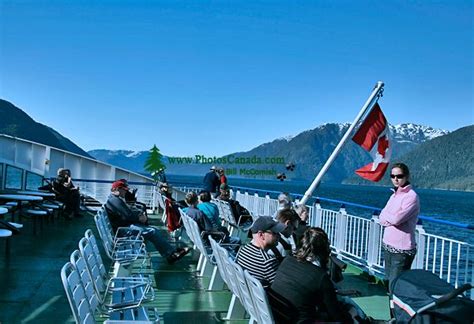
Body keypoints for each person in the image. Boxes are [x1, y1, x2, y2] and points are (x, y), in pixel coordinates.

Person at [271, 227, 364, 323]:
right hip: (299, 321)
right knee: (353, 311)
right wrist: (351, 314)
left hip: (279, 317)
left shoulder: (288, 260)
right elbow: (337, 316)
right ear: (323, 249)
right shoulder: (320, 277)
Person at [105, 179, 189, 264]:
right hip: (123, 230)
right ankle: (171, 254)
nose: (125, 192)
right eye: (124, 190)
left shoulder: (114, 199)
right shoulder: (115, 201)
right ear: (118, 189)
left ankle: (170, 252)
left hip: (124, 227)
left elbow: (127, 212)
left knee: (153, 229)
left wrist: (139, 215)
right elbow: (128, 215)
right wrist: (140, 218)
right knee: (152, 231)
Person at [379, 162, 420, 292]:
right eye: (392, 176)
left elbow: (397, 219)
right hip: (388, 246)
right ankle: (393, 311)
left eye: (399, 176)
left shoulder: (411, 197)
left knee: (395, 288)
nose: (395, 179)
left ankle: (398, 312)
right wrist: (390, 218)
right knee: (388, 284)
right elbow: (381, 217)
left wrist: (389, 217)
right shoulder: (393, 195)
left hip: (402, 250)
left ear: (407, 176)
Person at [235, 216, 285, 287]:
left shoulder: (244, 250)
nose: (279, 236)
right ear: (261, 235)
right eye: (275, 233)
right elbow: (282, 287)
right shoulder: (267, 262)